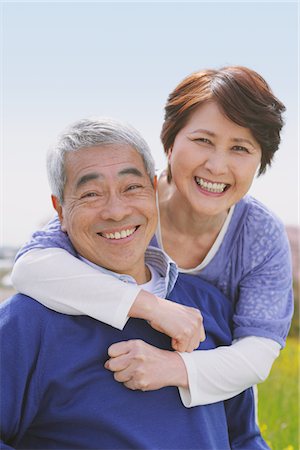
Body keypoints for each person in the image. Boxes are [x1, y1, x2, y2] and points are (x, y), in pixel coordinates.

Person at [12, 66, 294, 407]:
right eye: (203, 140)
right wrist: (151, 306)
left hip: (212, 402)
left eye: (241, 148)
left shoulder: (260, 236)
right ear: (171, 143)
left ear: (260, 160)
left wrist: (173, 367)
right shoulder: (129, 202)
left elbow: (258, 351)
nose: (217, 167)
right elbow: (32, 267)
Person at [0, 118, 268, 449]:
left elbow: (243, 437)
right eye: (91, 194)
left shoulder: (208, 304)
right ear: (60, 211)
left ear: (154, 190)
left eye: (132, 188)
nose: (115, 211)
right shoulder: (26, 323)